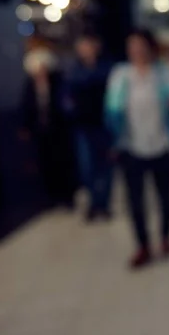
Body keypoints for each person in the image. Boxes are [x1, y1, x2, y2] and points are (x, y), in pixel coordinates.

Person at [104, 28, 169, 268]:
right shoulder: (121, 75)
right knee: (135, 201)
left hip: (163, 144)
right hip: (131, 146)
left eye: (141, 45)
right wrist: (113, 137)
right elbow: (110, 110)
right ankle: (142, 245)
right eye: (132, 46)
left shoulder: (164, 74)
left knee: (165, 197)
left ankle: (166, 237)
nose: (137, 51)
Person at [64, 33, 114, 222]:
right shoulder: (74, 70)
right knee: (87, 167)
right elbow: (66, 96)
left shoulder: (106, 68)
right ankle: (94, 202)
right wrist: (71, 111)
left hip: (104, 124)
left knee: (106, 166)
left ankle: (104, 204)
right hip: (83, 126)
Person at [20, 47, 76, 208]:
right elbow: (26, 106)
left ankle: (66, 196)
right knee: (45, 164)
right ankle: (51, 197)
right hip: (40, 131)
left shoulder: (57, 82)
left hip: (58, 131)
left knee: (62, 163)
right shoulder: (30, 86)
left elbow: (64, 104)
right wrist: (25, 127)